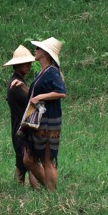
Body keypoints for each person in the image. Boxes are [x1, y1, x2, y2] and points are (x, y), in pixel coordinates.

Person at [23, 37, 67, 190]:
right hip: (39, 120)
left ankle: (51, 192)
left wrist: (41, 97)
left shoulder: (52, 73)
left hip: (49, 121)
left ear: (46, 54)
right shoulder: (42, 72)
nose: (35, 50)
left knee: (47, 159)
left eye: (38, 49)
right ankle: (46, 188)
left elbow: (61, 92)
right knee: (29, 158)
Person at [3, 45, 36, 186]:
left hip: (17, 128)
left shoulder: (17, 81)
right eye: (25, 63)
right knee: (31, 163)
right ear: (17, 65)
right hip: (22, 130)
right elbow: (33, 101)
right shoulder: (17, 85)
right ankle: (38, 191)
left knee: (21, 164)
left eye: (29, 62)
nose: (28, 65)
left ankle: (17, 191)